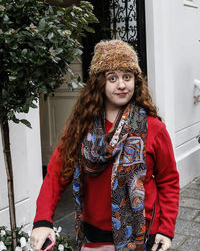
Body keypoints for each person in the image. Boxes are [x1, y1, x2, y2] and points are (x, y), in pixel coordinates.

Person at [30, 40, 179, 251]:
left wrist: (166, 229)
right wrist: (43, 219)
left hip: (143, 231)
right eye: (113, 78)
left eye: (127, 77)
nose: (121, 85)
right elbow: (57, 172)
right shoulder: (82, 126)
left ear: (136, 81)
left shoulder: (153, 128)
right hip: (95, 231)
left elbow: (168, 181)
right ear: (100, 83)